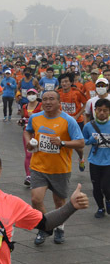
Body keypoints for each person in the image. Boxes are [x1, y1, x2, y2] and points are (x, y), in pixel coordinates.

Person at [25, 90, 85, 245]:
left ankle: (60, 227)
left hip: (60, 169)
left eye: (51, 99)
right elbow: (28, 131)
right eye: (44, 99)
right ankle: (45, 227)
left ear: (59, 102)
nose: (47, 102)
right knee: (36, 199)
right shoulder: (35, 118)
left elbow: (80, 142)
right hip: (38, 166)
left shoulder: (68, 121)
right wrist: (29, 143)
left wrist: (63, 143)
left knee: (59, 203)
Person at [82, 98, 110, 217]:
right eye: (99, 110)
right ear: (95, 111)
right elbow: (83, 141)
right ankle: (100, 208)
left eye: (105, 110)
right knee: (96, 186)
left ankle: (108, 201)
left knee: (106, 186)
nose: (102, 113)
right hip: (94, 161)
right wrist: (91, 140)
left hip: (108, 162)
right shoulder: (89, 126)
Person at [19, 89, 42, 187]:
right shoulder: (24, 106)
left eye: (33, 94)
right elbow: (23, 118)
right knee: (28, 154)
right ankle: (28, 176)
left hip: (39, 133)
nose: (31, 95)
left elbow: (45, 118)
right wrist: (21, 121)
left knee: (39, 154)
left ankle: (39, 174)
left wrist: (35, 116)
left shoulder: (41, 106)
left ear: (36, 95)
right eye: (29, 94)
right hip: (27, 132)